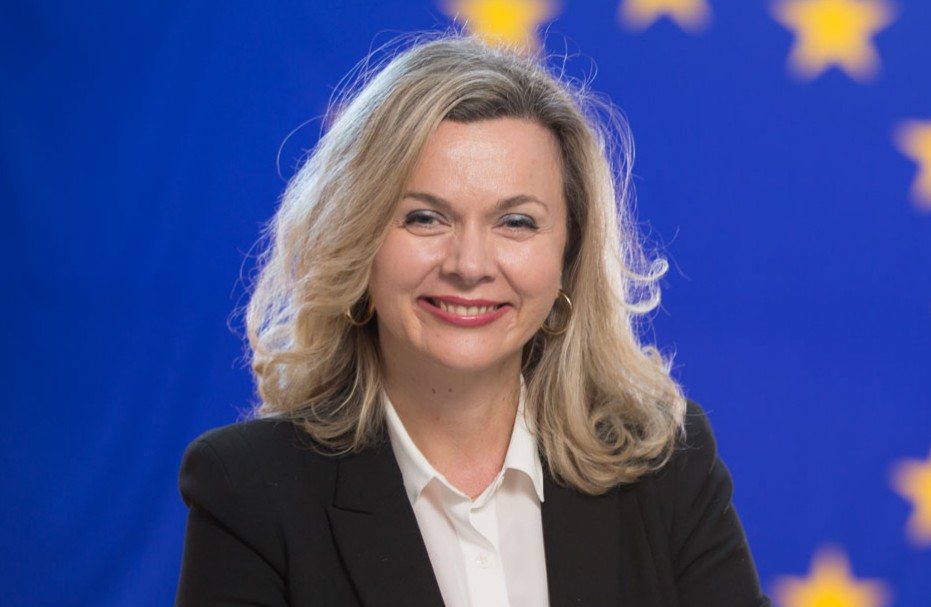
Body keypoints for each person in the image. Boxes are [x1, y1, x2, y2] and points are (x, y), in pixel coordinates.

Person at [176, 34, 770, 606]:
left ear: (568, 256)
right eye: (425, 218)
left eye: (516, 222)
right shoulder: (248, 489)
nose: (469, 265)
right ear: (358, 241)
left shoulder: (666, 466)